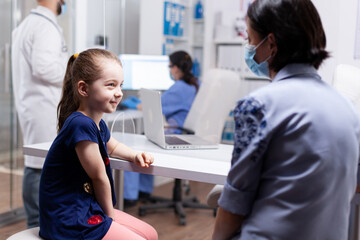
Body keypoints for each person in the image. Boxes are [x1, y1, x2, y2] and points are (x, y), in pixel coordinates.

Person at [212, 0, 360, 240]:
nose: (248, 48)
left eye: (250, 39)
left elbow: (234, 203)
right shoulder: (348, 108)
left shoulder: (258, 106)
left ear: (270, 43)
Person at [39, 49, 158, 240]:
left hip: (84, 206)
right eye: (110, 85)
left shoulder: (97, 123)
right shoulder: (80, 124)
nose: (119, 93)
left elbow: (112, 146)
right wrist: (110, 219)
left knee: (150, 234)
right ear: (84, 89)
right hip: (68, 218)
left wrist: (134, 155)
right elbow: (99, 177)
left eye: (120, 85)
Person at [11, 0, 68, 228]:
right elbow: (44, 67)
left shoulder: (30, 23)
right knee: (38, 165)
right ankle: (37, 224)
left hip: (35, 105)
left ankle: (39, 222)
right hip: (42, 107)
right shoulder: (44, 26)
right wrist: (72, 67)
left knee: (36, 163)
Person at [123, 50, 200, 207]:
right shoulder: (193, 85)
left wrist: (131, 103)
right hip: (185, 134)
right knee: (144, 139)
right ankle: (143, 190)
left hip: (176, 135)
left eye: (170, 66)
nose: (169, 70)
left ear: (177, 68)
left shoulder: (179, 88)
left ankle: (130, 196)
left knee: (133, 146)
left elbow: (152, 107)